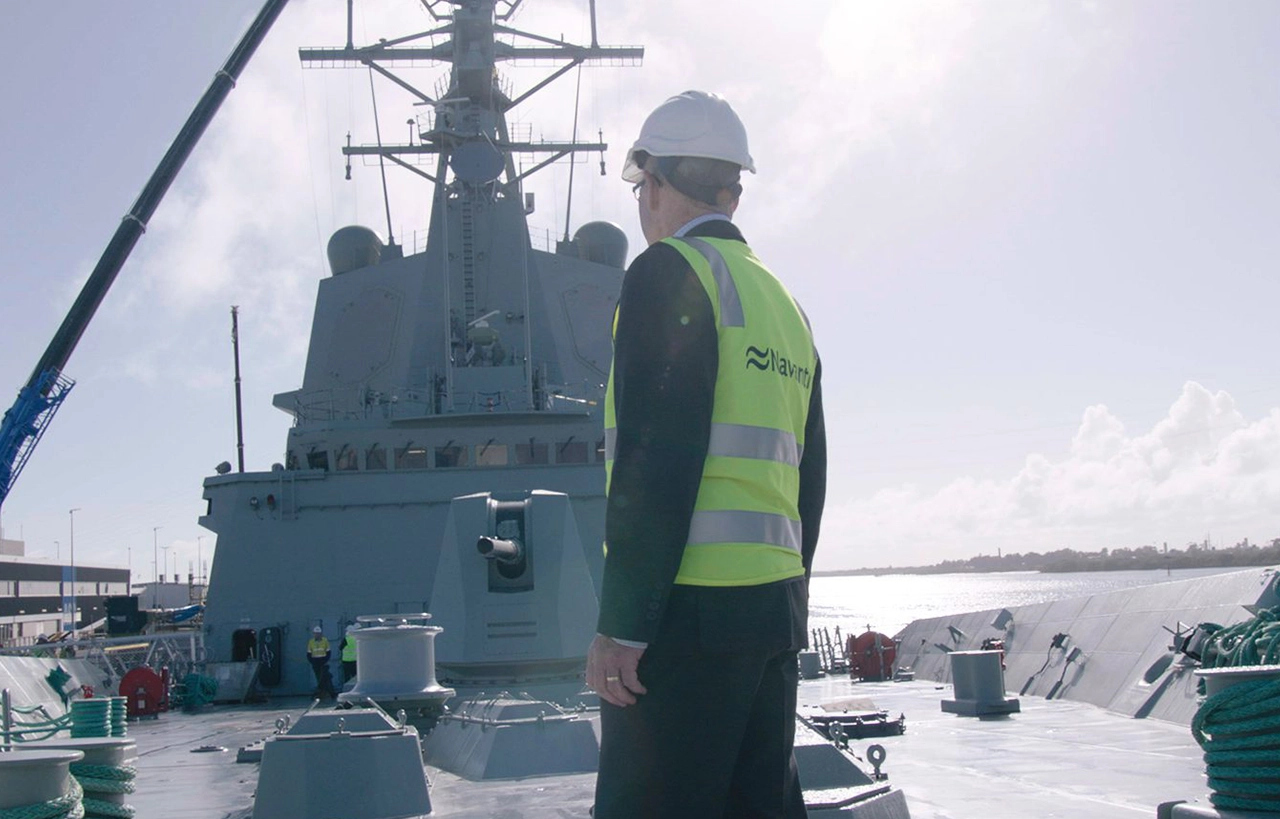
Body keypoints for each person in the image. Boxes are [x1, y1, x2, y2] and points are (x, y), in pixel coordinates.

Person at [586, 90, 827, 818]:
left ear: (654, 182)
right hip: (772, 618)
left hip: (685, 623)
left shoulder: (667, 272)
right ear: (733, 185)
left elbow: (656, 462)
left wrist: (623, 625)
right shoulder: (784, 302)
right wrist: (790, 599)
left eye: (639, 188)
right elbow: (808, 477)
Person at [306, 625, 335, 698]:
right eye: (315, 633)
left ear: (321, 634)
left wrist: (325, 661)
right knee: (320, 677)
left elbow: (328, 652)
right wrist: (312, 662)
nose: (317, 635)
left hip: (323, 661)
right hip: (315, 662)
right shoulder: (311, 642)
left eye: (318, 633)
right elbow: (309, 653)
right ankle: (325, 692)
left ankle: (325, 692)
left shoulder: (325, 641)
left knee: (324, 677)